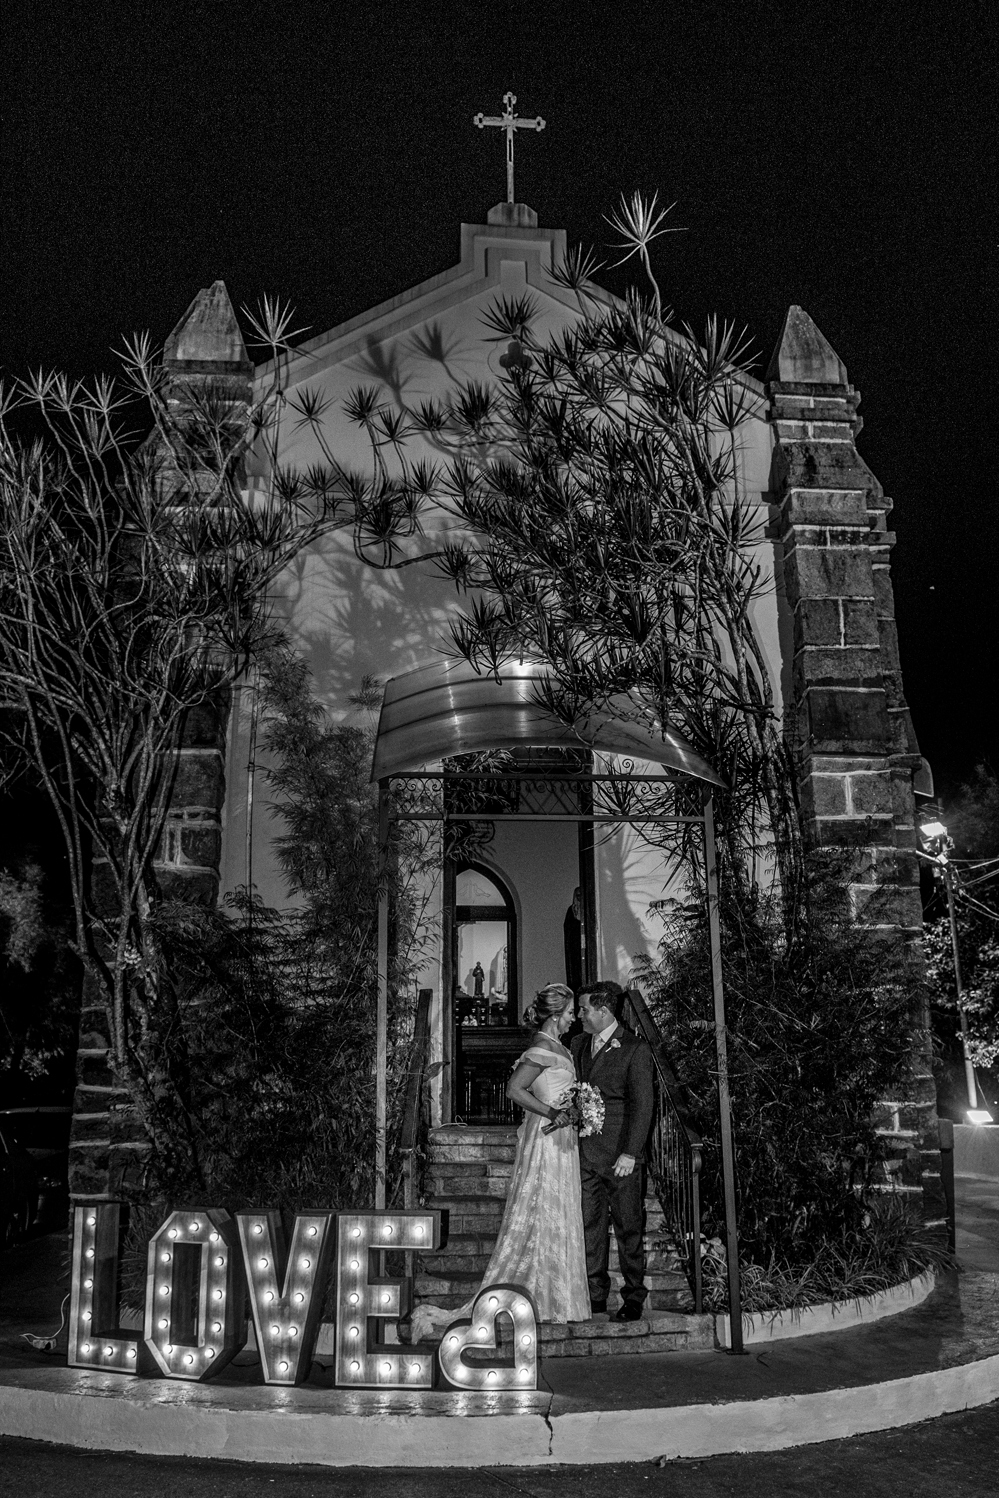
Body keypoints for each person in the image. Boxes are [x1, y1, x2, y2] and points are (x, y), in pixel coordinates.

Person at [410, 982, 589, 1339]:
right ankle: (534, 1295)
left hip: (561, 1137)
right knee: (540, 1208)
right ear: (556, 1015)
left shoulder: (559, 1047)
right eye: (570, 1014)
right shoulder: (541, 1047)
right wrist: (554, 1111)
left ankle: (555, 1296)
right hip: (545, 1139)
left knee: (558, 1210)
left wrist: (576, 1110)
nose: (574, 1020)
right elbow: (514, 1090)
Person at [572, 981, 655, 1320]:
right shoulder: (577, 1044)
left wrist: (631, 1152)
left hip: (621, 1155)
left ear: (603, 1011)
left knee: (628, 1227)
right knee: (590, 1226)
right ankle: (594, 1294)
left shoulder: (635, 1049)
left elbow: (643, 1104)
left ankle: (633, 1297)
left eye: (584, 1009)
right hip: (586, 1152)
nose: (579, 1015)